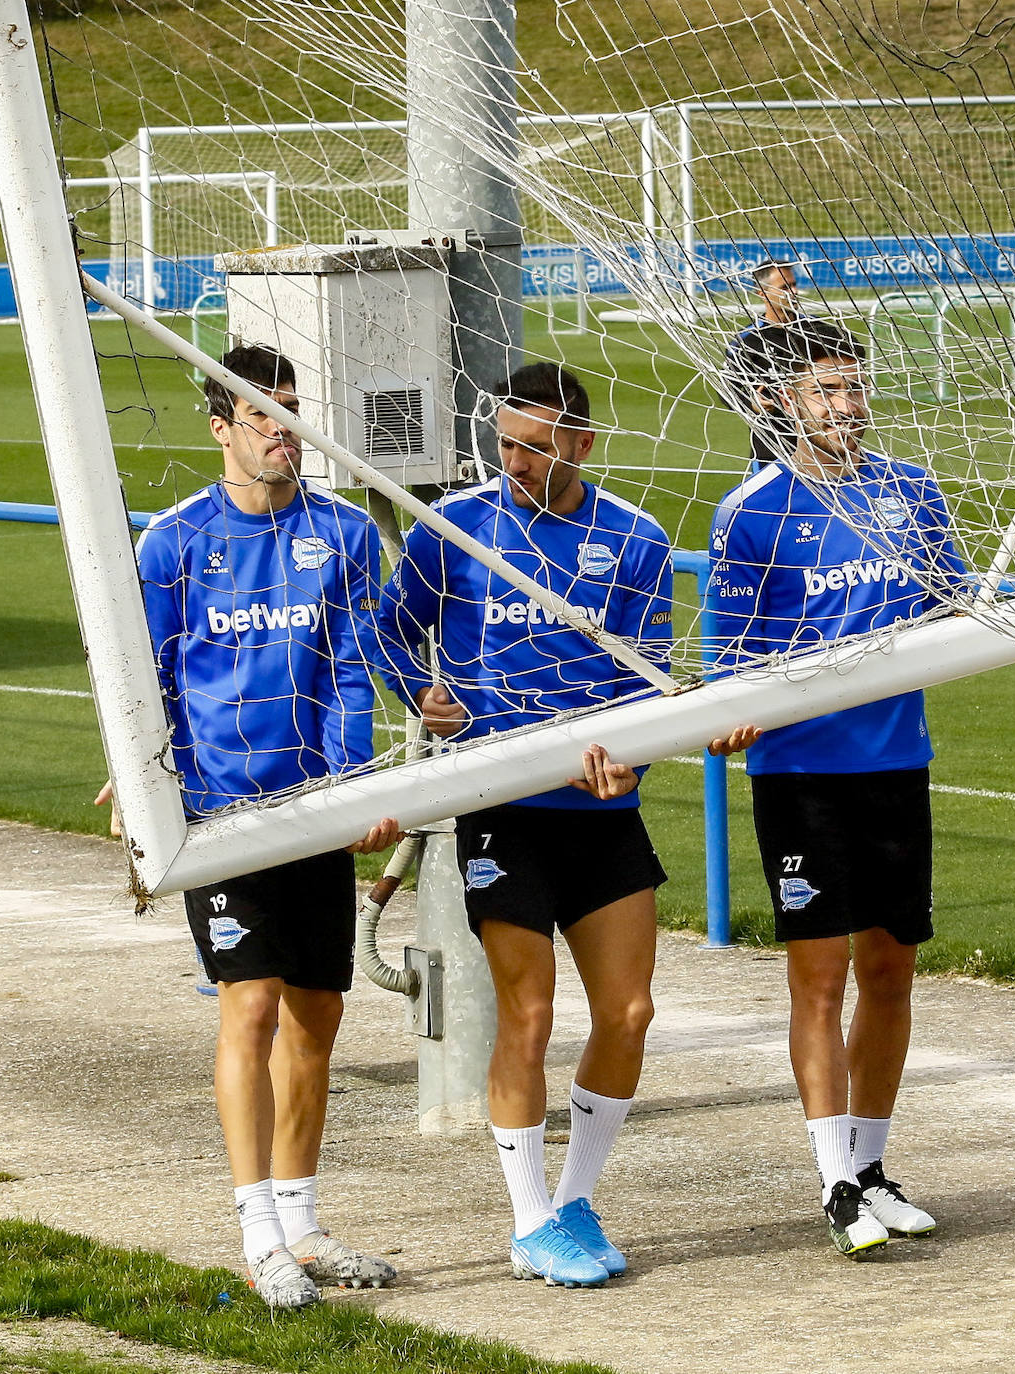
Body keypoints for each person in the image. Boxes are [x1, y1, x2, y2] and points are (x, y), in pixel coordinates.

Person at [376, 363, 750, 1288]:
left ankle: (576, 1198)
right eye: (503, 443)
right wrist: (421, 694)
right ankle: (528, 1219)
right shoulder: (456, 527)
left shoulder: (635, 538)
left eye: (534, 447)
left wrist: (632, 757)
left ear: (581, 443)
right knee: (531, 1013)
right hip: (503, 811)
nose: (515, 462)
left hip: (600, 811)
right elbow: (388, 630)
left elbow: (651, 675)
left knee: (629, 1012)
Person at [97, 344, 399, 1309]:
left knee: (317, 1014)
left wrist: (354, 788)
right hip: (221, 814)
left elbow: (353, 670)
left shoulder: (345, 536)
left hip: (314, 812)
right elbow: (145, 675)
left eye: (294, 413)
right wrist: (137, 775)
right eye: (265, 416)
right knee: (252, 1004)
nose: (284, 432)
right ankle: (257, 1229)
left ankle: (304, 1224)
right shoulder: (174, 543)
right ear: (221, 427)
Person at [706, 319, 970, 1259]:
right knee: (817, 979)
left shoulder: (912, 489)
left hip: (898, 763)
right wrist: (730, 713)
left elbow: (957, 605)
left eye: (854, 388)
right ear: (781, 402)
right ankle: (832, 1183)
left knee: (891, 968)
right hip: (802, 776)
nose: (848, 407)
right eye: (827, 391)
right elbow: (727, 661)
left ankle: (872, 1167)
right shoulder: (751, 513)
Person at [723, 259, 806, 470]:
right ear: (763, 293)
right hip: (771, 449)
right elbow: (726, 391)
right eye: (785, 287)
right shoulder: (747, 341)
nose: (794, 292)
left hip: (822, 445)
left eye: (794, 285)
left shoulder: (817, 331)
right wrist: (753, 404)